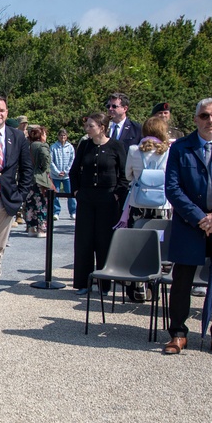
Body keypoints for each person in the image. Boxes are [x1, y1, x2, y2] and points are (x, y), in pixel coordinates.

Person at [162, 98, 212, 358]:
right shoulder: (180, 148)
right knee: (181, 283)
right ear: (195, 119)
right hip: (190, 224)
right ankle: (178, 333)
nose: (209, 120)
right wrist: (201, 218)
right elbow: (173, 189)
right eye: (204, 116)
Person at [70, 112, 128, 295]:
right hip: (87, 197)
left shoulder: (116, 146)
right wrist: (77, 191)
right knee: (84, 240)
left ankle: (105, 283)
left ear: (102, 128)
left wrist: (118, 193)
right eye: (86, 126)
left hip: (108, 197)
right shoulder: (85, 146)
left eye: (91, 126)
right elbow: (74, 171)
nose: (87, 129)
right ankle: (83, 282)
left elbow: (124, 174)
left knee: (104, 240)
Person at [0, 95, 32, 309]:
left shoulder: (17, 137)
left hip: (6, 198)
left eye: (1, 110)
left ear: (7, 112)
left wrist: (21, 194)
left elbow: (26, 169)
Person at [125, 115, 172, 220]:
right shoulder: (169, 151)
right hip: (162, 203)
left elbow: (128, 176)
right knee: (161, 235)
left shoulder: (133, 150)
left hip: (138, 201)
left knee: (136, 235)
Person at [23, 125, 53, 237]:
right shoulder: (42, 146)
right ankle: (42, 229)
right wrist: (44, 168)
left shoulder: (27, 145)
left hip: (28, 179)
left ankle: (31, 228)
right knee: (42, 204)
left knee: (30, 204)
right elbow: (46, 159)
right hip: (40, 178)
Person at [50, 127, 77, 219]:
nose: (62, 137)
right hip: (56, 175)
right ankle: (56, 212)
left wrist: (66, 171)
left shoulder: (70, 147)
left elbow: (72, 160)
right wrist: (57, 172)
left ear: (67, 136)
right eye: (61, 135)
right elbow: (50, 161)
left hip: (67, 176)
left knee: (70, 193)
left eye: (64, 135)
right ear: (58, 136)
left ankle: (73, 211)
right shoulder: (53, 147)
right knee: (55, 194)